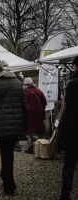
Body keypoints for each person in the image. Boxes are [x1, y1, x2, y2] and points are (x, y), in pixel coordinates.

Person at [0, 60, 28, 196]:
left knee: (5, 154)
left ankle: (8, 186)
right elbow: (24, 105)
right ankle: (7, 179)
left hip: (2, 124)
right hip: (15, 124)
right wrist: (26, 123)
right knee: (10, 155)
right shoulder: (18, 83)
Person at [60, 56, 78, 200]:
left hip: (74, 131)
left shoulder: (73, 84)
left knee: (69, 165)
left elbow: (69, 109)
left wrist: (63, 132)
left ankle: (65, 195)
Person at [23, 77, 47, 154]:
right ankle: (40, 146)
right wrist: (41, 108)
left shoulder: (25, 93)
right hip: (39, 112)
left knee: (29, 130)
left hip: (29, 113)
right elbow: (44, 101)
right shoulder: (39, 91)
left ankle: (30, 147)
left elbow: (23, 104)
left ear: (26, 85)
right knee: (39, 129)